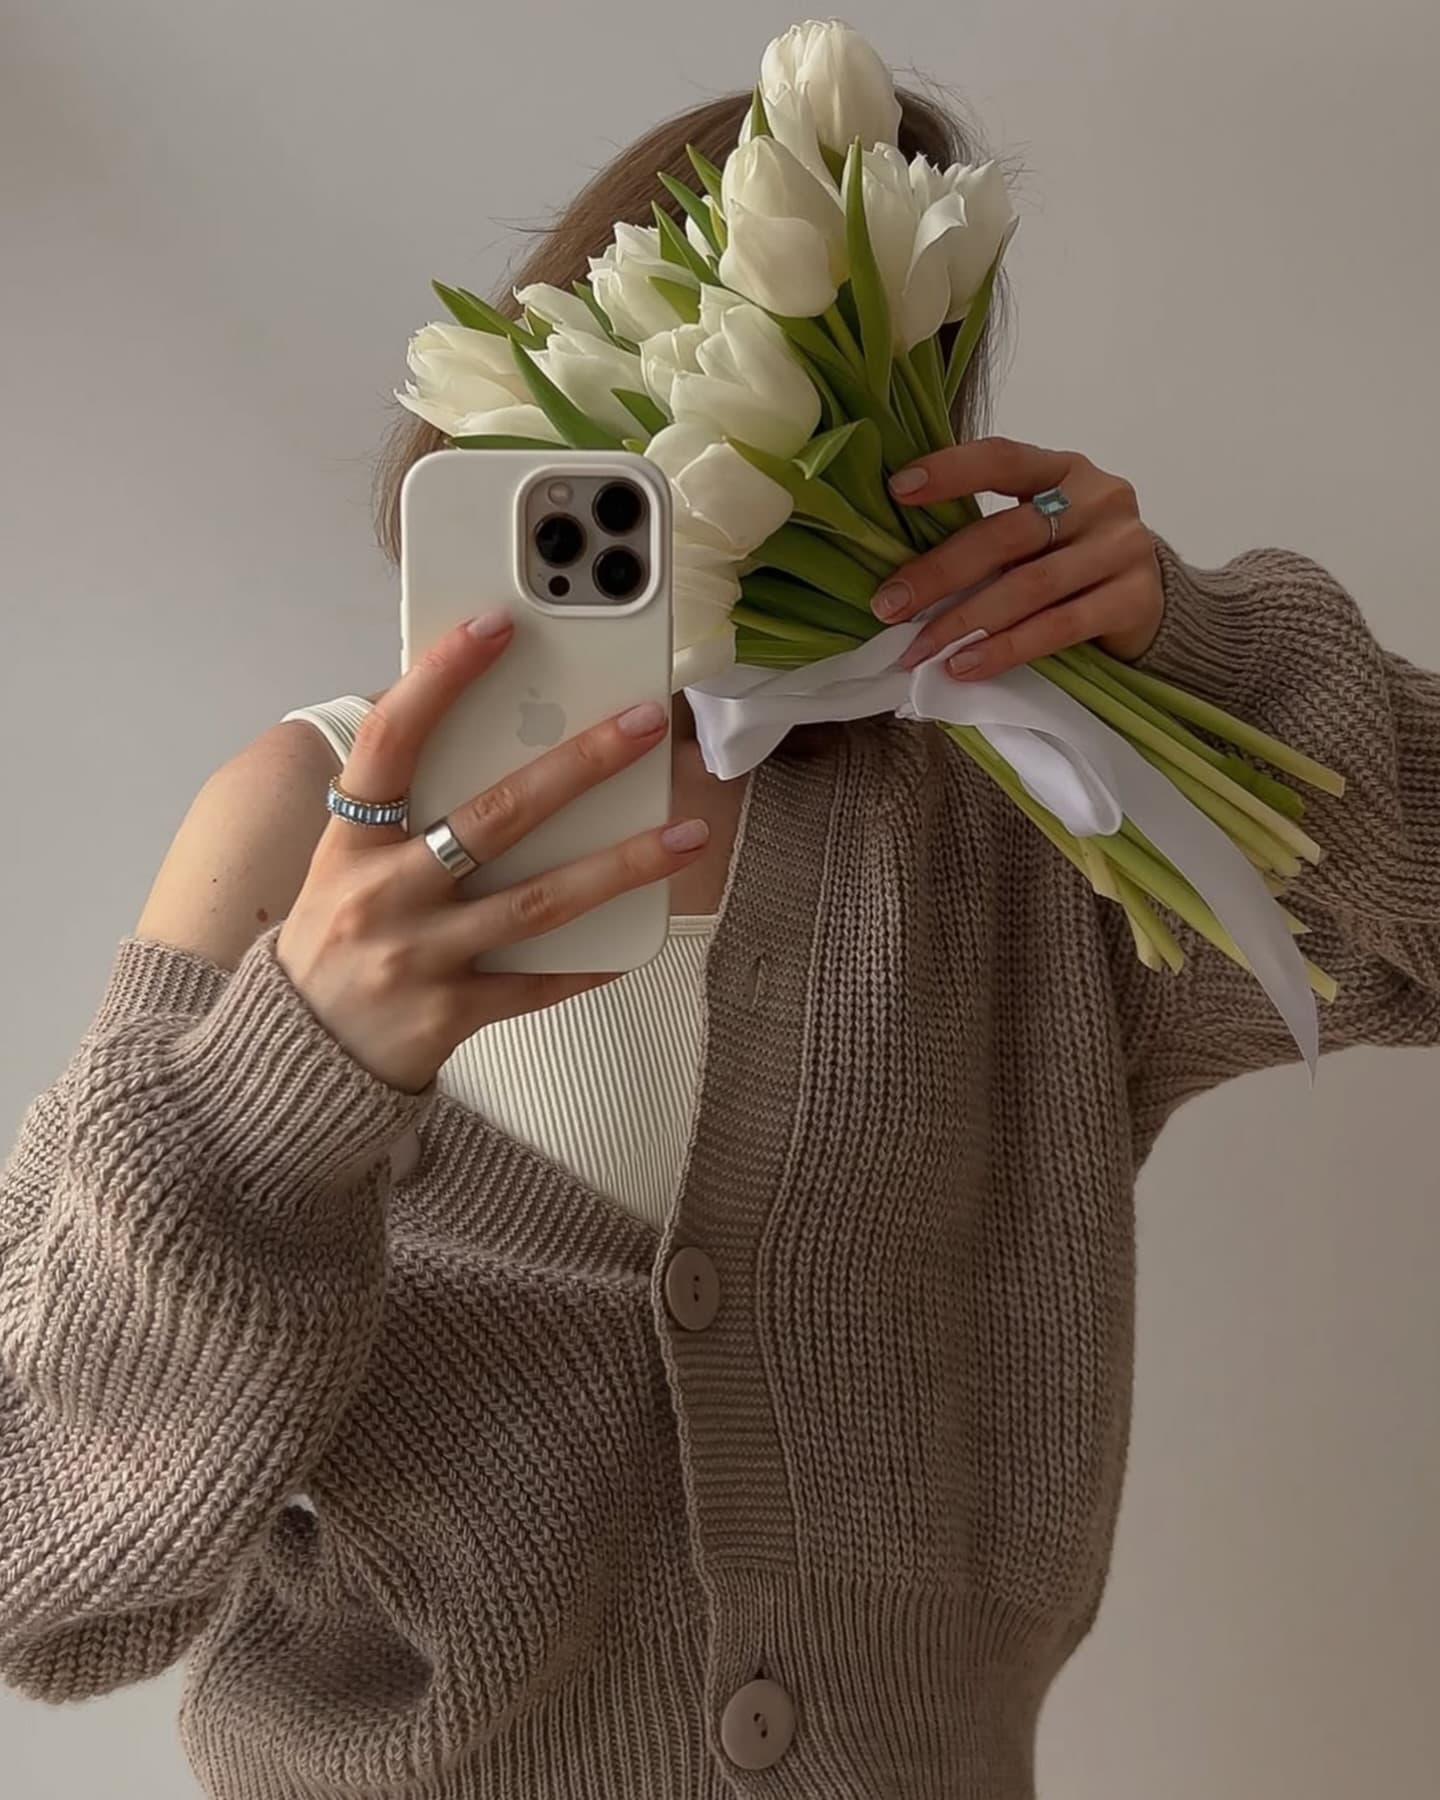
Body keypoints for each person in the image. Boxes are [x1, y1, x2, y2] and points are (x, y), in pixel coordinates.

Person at [2, 86, 1437, 1800]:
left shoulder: (1032, 827)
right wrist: (285, 1081)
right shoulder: (304, 820)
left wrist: (1195, 661)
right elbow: (44, 1552)